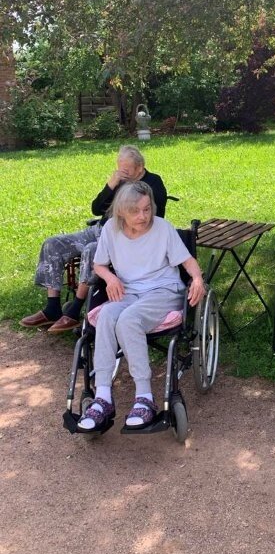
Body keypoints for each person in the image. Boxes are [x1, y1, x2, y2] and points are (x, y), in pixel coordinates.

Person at [76, 181, 204, 432]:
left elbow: (187, 261)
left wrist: (198, 279)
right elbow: (99, 265)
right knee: (106, 315)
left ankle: (145, 397)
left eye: (147, 209)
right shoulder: (111, 229)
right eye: (135, 211)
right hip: (129, 291)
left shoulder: (162, 228)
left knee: (128, 320)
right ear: (121, 211)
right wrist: (110, 278)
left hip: (163, 291)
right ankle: (102, 397)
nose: (143, 216)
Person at [20, 145, 168, 333]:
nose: (121, 173)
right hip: (100, 229)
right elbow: (96, 209)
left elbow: (151, 220)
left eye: (126, 170)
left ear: (139, 167)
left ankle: (74, 310)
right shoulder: (120, 181)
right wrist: (111, 185)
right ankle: (52, 308)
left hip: (124, 237)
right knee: (53, 244)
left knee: (92, 249)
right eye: (119, 168)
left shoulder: (153, 183)